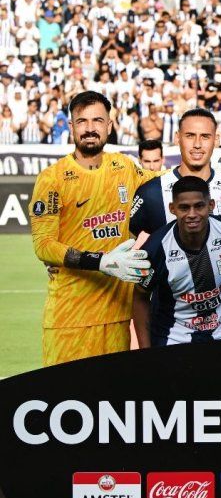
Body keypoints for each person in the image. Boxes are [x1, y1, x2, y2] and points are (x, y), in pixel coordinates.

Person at [30, 91, 157, 366]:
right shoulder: (52, 179)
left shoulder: (124, 167)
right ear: (71, 126)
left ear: (109, 126)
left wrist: (216, 171)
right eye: (82, 121)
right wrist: (102, 262)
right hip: (69, 320)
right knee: (65, 399)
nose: (90, 128)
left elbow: (164, 183)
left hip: (116, 318)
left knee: (110, 402)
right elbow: (44, 245)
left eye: (97, 120)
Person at [133, 176, 221, 346]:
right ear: (172, 209)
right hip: (174, 337)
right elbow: (140, 297)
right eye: (184, 208)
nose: (192, 214)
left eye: (199, 206)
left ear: (211, 205)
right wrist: (145, 352)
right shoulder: (156, 248)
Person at [129, 108, 221, 237]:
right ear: (178, 138)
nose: (197, 144)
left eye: (205, 136)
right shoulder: (150, 192)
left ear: (216, 139)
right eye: (190, 136)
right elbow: (131, 242)